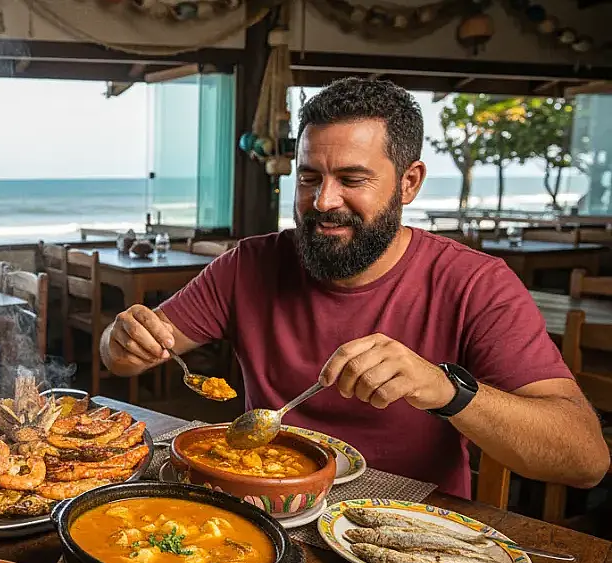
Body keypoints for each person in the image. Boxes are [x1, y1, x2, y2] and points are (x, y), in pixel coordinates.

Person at [101, 78, 609, 497]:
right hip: (266, 502)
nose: (323, 201)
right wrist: (122, 339)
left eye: (352, 179)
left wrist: (444, 389)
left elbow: (586, 460)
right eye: (309, 178)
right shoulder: (249, 264)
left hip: (407, 525)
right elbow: (121, 358)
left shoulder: (475, 283)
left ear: (409, 183)